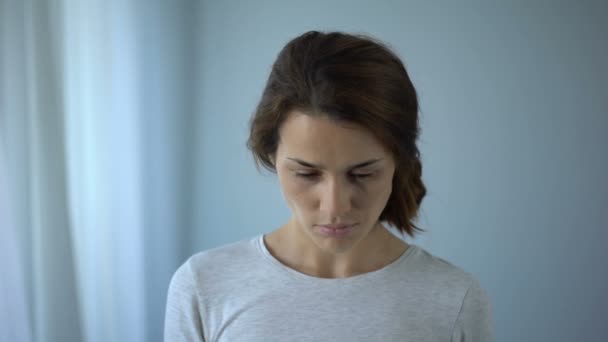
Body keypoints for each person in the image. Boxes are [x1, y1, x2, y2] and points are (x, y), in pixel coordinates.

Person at [164, 30, 494, 342]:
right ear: (272, 156)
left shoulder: (454, 301)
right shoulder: (202, 285)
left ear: (399, 163)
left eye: (363, 174)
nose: (335, 207)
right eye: (307, 174)